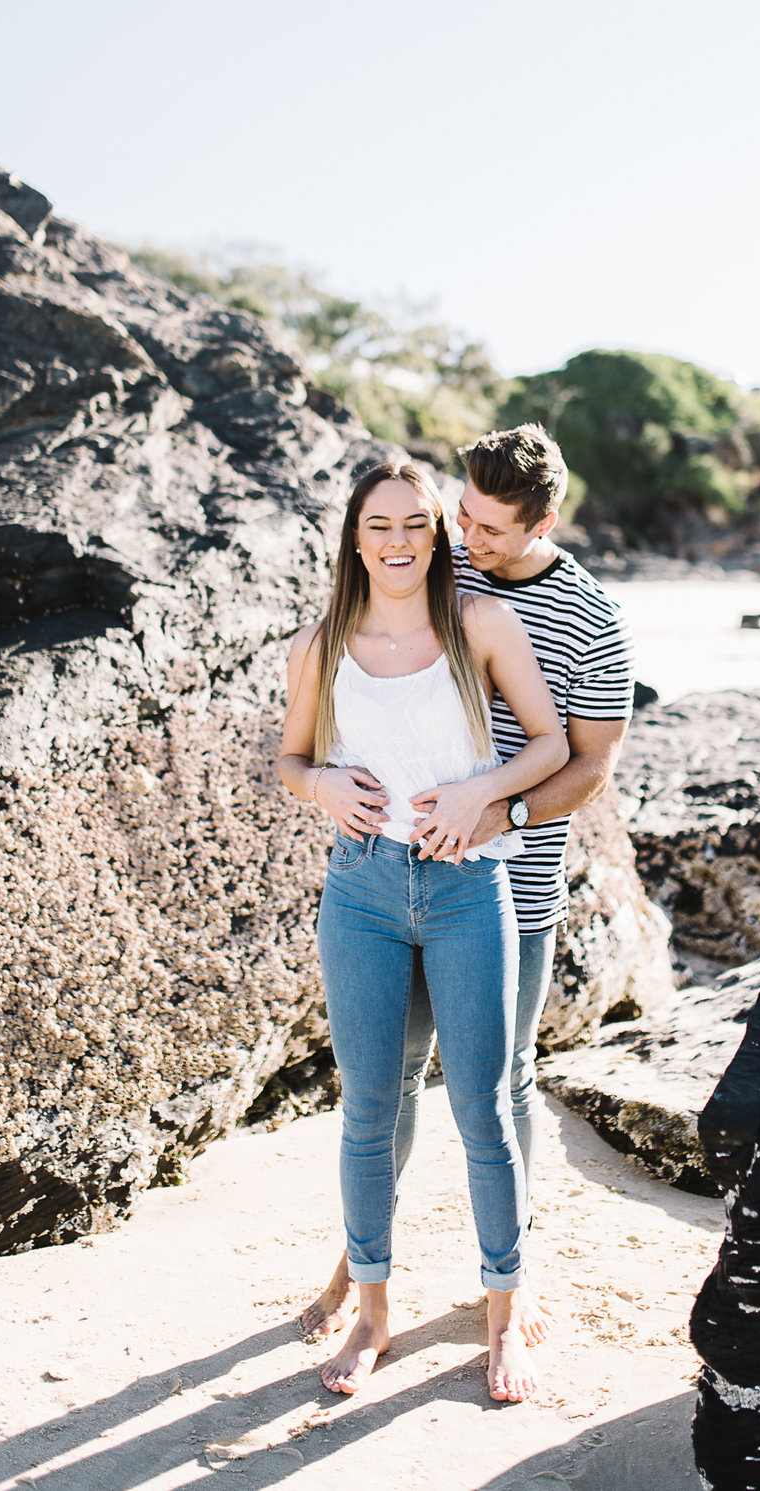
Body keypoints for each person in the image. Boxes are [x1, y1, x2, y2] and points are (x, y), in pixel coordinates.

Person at [295, 424, 635, 1353]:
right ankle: (362, 1259)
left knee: (499, 1086)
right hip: (387, 875)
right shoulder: (441, 568)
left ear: (544, 522)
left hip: (507, 882)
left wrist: (504, 816)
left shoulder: (591, 617)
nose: (465, 539)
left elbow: (590, 760)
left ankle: (511, 1279)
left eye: (488, 529)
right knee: (383, 1084)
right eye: (462, 517)